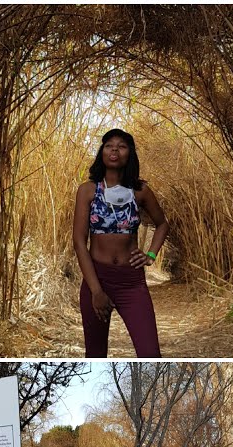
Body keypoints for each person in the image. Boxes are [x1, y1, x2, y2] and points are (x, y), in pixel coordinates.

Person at [73, 128, 170, 357]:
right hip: (97, 278)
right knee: (95, 356)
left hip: (131, 282)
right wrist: (96, 290)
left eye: (122, 146)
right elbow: (79, 241)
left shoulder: (140, 191)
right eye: (109, 145)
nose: (114, 149)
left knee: (150, 354)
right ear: (102, 153)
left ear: (130, 154)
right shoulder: (88, 191)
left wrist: (151, 255)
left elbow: (162, 224)